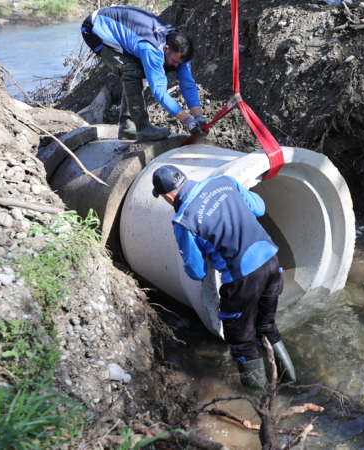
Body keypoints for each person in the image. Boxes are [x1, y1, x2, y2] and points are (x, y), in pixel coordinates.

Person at [151, 165, 297, 388]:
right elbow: (258, 208)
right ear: (186, 178)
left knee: (242, 342)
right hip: (272, 263)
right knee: (266, 327)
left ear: (169, 198)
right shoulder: (225, 181)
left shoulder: (183, 221)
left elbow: (197, 271)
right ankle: (293, 385)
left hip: (242, 279)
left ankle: (261, 408)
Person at [80, 5, 209, 141]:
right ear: (166, 49)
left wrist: (198, 117)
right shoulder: (152, 49)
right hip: (95, 28)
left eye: (180, 63)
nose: (176, 66)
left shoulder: (180, 50)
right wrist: (187, 121)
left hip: (128, 30)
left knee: (140, 69)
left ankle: (127, 128)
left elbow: (188, 84)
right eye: (174, 61)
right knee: (132, 70)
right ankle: (142, 128)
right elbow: (159, 91)